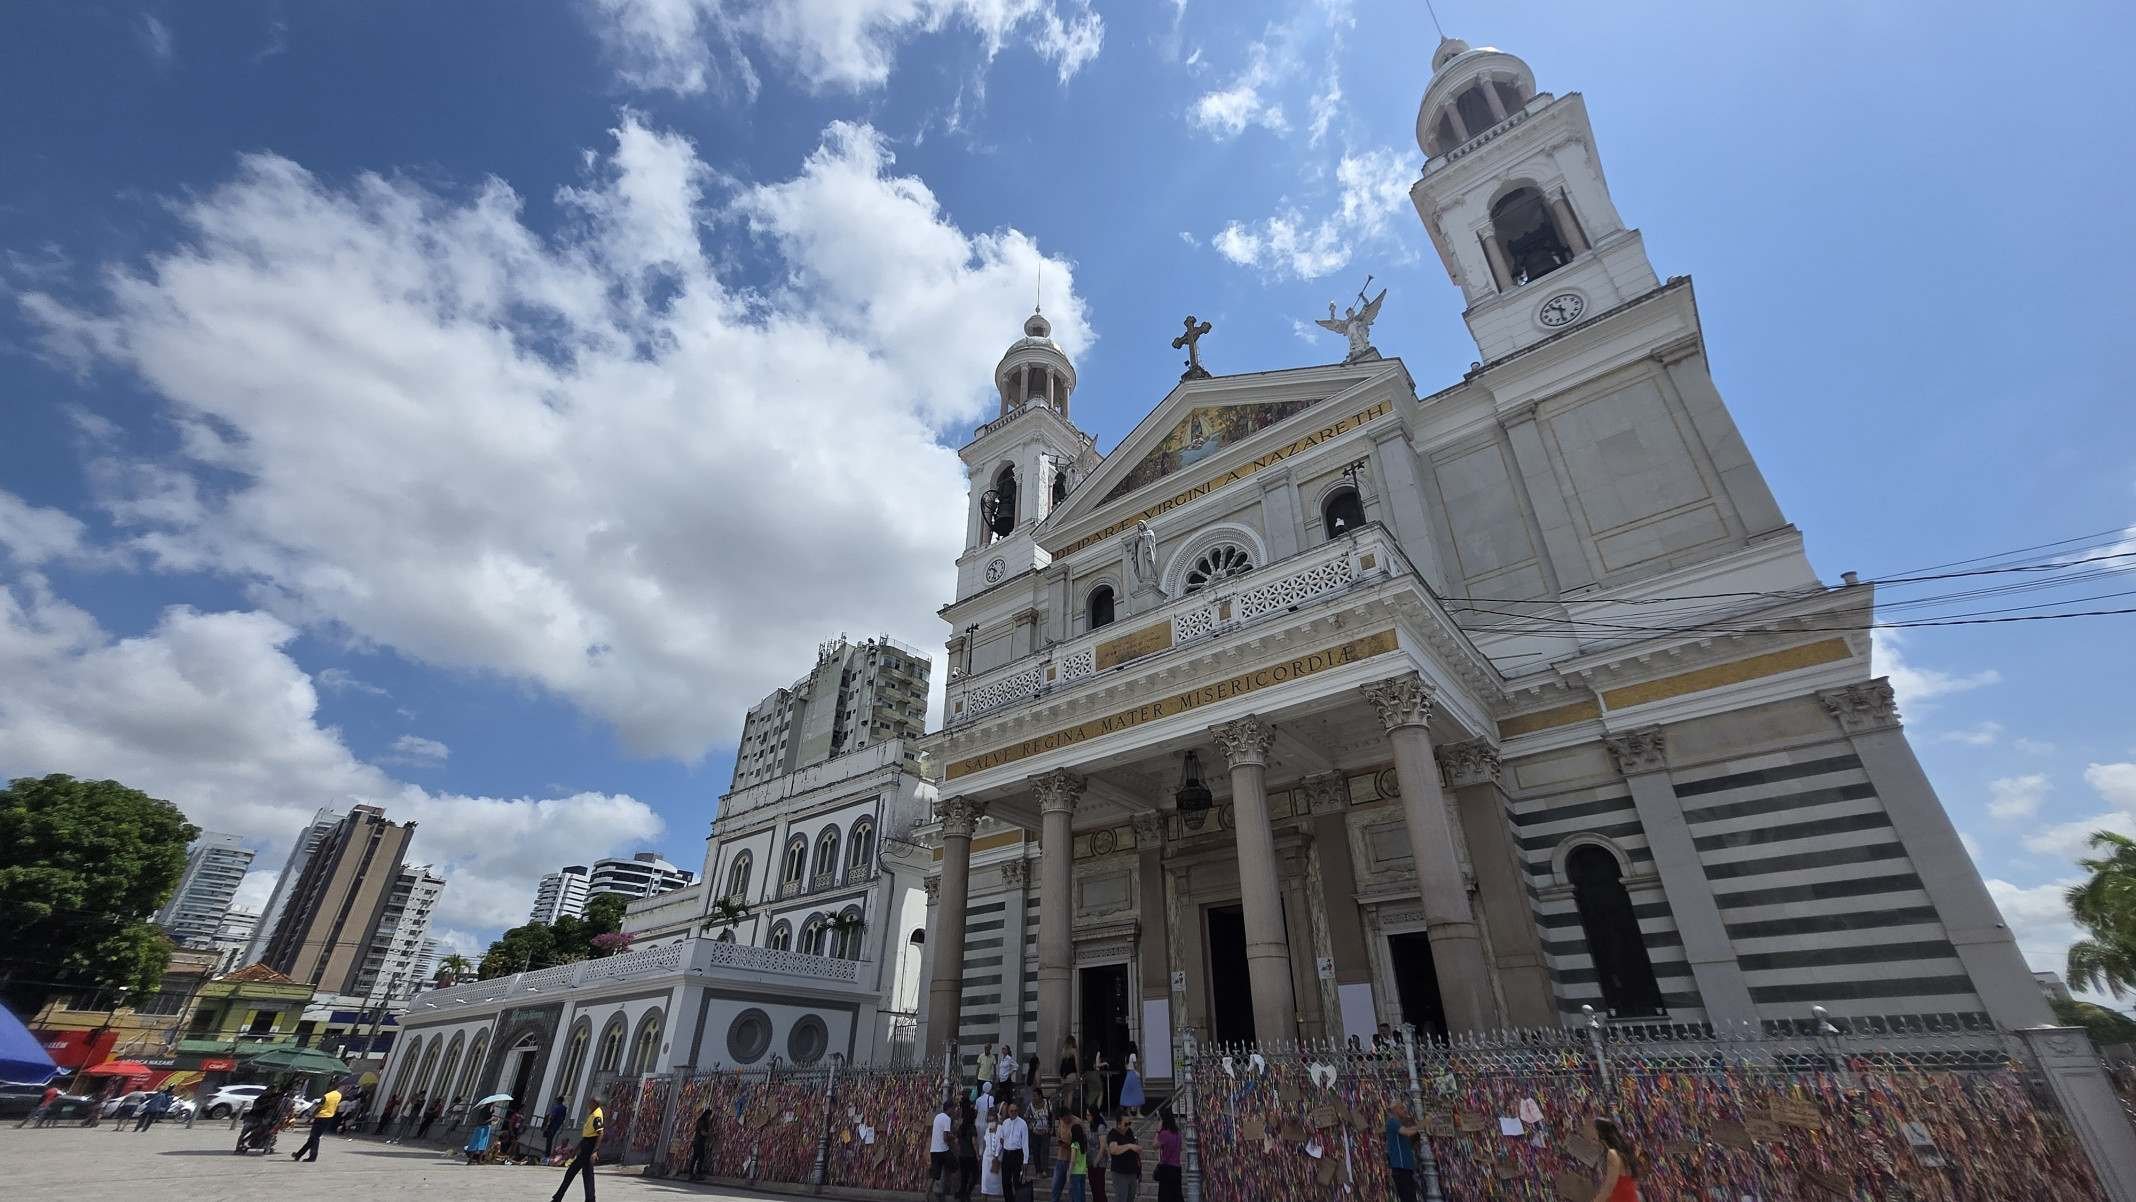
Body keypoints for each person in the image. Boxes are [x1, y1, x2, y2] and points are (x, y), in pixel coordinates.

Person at [551, 1102, 604, 1202]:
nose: (588, 1105)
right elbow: (585, 1137)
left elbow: (600, 1133)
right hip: (586, 1146)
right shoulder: (592, 1114)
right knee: (586, 1175)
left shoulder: (597, 1116)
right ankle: (589, 1199)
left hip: (589, 1148)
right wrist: (575, 1151)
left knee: (575, 1173)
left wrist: (595, 1151)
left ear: (595, 1104)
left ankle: (558, 1198)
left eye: (590, 1103)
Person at [1592, 1117, 1642, 1202]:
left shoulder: (1612, 1154)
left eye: (1593, 1129)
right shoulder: (1621, 1153)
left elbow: (1610, 1185)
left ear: (1599, 1133)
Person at [292, 1079, 343, 1161]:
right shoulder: (338, 1095)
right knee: (313, 1138)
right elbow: (336, 1106)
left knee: (315, 1138)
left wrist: (312, 1116)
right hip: (329, 1117)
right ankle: (299, 1154)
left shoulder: (327, 1096)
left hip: (321, 1117)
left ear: (332, 1086)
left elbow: (319, 1107)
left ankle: (312, 1156)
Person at [1384, 1102, 1422, 1202]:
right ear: (1395, 1110)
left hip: (1406, 1167)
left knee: (1410, 1197)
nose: (1405, 1110)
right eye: (1402, 1108)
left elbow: (1411, 1134)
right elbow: (1408, 1132)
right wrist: (1424, 1123)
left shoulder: (1400, 1124)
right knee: (1408, 1197)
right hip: (1400, 1168)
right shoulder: (1392, 1122)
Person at [1106, 1112, 1142, 1202]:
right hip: (1120, 1172)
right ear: (1118, 1124)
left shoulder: (1129, 1132)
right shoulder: (1113, 1134)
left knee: (1130, 1198)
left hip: (1132, 1171)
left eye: (1129, 1123)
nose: (1128, 1126)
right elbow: (1114, 1150)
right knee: (1121, 1198)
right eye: (1126, 1124)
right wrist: (1129, 1146)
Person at [998, 1100, 1030, 1202]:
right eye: (1011, 1111)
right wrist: (997, 1154)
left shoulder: (1022, 1124)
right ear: (1008, 1112)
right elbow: (1001, 1139)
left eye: (1015, 1111)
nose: (1013, 1113)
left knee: (1017, 1182)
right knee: (1005, 1181)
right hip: (1007, 1154)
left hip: (1017, 1154)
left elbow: (1025, 1143)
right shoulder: (1005, 1123)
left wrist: (1025, 1161)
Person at [929, 1096, 957, 1200]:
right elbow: (945, 1137)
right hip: (943, 1149)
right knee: (954, 1167)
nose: (953, 1111)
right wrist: (953, 1138)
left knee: (934, 1174)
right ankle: (952, 1192)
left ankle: (927, 1195)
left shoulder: (937, 1117)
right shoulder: (947, 1119)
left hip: (934, 1149)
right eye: (953, 1109)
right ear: (949, 1109)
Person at [1153, 1110, 1183, 1202]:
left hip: (1166, 1168)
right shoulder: (1178, 1133)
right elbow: (1180, 1148)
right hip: (1177, 1168)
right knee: (1176, 1195)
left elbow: (1154, 1145)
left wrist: (1157, 1131)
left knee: (1164, 1196)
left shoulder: (1164, 1134)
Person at [957, 1098, 982, 1202]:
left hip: (962, 1155)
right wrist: (977, 1155)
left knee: (964, 1176)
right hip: (970, 1155)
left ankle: (962, 1194)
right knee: (975, 1175)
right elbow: (974, 1142)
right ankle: (967, 1193)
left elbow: (957, 1141)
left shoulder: (961, 1128)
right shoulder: (972, 1128)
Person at [685, 1105, 713, 1181]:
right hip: (699, 1142)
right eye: (709, 1116)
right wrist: (709, 1134)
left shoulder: (703, 1121)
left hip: (698, 1142)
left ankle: (692, 1173)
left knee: (695, 1157)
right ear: (707, 1115)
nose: (710, 1118)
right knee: (700, 1157)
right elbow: (702, 1132)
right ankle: (697, 1173)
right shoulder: (702, 1121)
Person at [1066, 1121, 1090, 1202]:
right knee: (1082, 1194)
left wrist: (1069, 1173)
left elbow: (1073, 1160)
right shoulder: (1083, 1145)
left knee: (1076, 1195)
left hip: (1075, 1172)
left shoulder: (1074, 1145)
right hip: (1083, 1172)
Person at [544, 1095, 569, 1162]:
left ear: (558, 1101)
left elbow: (553, 1116)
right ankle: (550, 1154)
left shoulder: (556, 1107)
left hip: (553, 1125)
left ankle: (547, 1154)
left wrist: (548, 1125)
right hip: (558, 1125)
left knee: (549, 1140)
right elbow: (563, 1117)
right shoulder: (564, 1108)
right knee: (552, 1139)